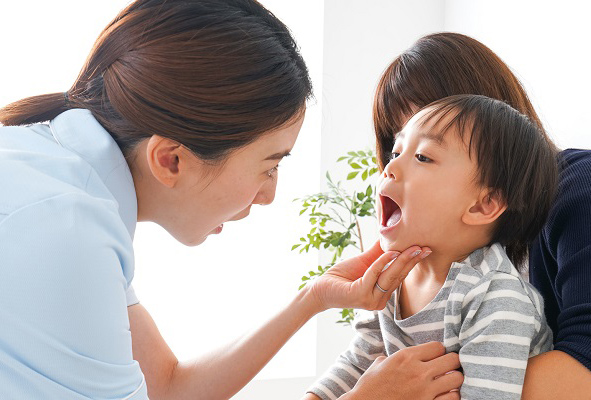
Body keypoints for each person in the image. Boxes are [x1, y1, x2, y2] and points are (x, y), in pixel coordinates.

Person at [0, 1, 464, 399]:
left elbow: (167, 386)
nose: (269, 195)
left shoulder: (59, 182)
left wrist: (314, 298)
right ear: (171, 160)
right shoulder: (64, 232)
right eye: (269, 165)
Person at [358, 32, 591, 399]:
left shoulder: (583, 185)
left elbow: (590, 365)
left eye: (426, 152)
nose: (398, 167)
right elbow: (365, 359)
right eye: (396, 145)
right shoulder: (423, 257)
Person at [306, 94, 557, 399]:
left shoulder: (496, 298)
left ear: (483, 205)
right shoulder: (390, 278)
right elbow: (359, 363)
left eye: (423, 157)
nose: (390, 167)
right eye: (396, 152)